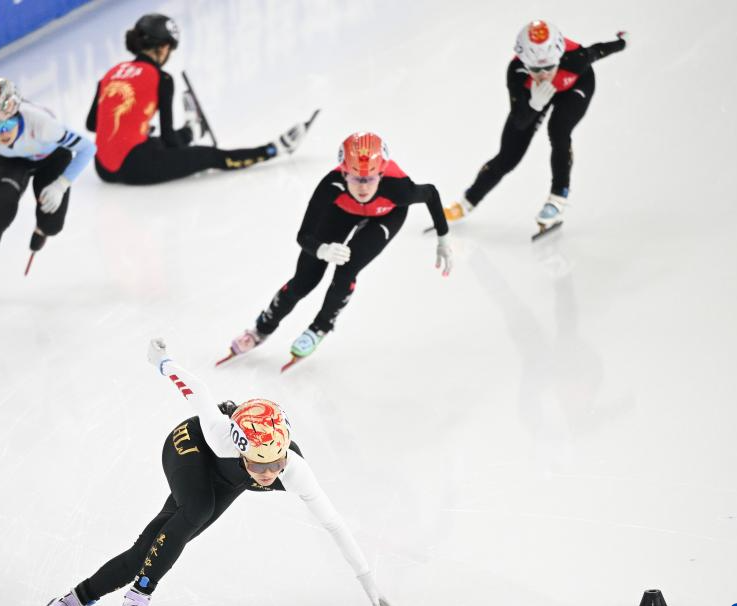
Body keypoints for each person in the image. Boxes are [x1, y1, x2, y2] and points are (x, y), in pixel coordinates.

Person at [30, 339, 403, 606]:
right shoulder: (219, 432)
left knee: (147, 549)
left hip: (224, 480)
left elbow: (334, 524)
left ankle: (70, 602)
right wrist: (162, 360)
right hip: (188, 449)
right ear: (241, 450)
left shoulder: (294, 470)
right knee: (198, 508)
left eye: (275, 463)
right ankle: (139, 596)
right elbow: (196, 390)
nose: (270, 474)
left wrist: (369, 584)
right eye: (259, 466)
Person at [221, 132, 452, 366]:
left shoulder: (399, 189)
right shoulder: (330, 185)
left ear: (381, 174)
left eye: (370, 179)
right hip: (342, 210)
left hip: (386, 214)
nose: (363, 188)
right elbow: (304, 236)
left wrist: (443, 239)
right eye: (355, 178)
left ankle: (319, 328)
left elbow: (431, 194)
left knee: (347, 270)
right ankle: (260, 329)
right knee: (304, 280)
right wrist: (321, 250)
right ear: (343, 172)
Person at [444, 21, 629, 233]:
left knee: (559, 130)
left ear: (558, 57)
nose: (543, 75)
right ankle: (467, 202)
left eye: (549, 67)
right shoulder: (517, 71)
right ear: (525, 63)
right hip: (535, 97)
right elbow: (520, 121)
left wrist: (622, 42)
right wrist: (534, 104)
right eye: (536, 69)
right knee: (508, 156)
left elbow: (600, 50)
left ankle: (557, 198)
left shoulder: (576, 58)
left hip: (576, 86)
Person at [85, 14, 314, 185]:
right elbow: (170, 140)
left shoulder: (111, 73)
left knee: (150, 141)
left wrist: (135, 124)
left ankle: (193, 129)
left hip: (103, 170)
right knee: (209, 156)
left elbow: (92, 124)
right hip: (135, 168)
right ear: (164, 47)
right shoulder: (161, 78)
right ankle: (273, 149)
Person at [0, 77, 95, 298]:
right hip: (13, 161)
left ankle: (42, 229)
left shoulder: (44, 125)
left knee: (52, 225)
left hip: (52, 159)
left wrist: (61, 185)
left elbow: (88, 148)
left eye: (8, 125)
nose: (2, 134)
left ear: (17, 114)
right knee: (0, 214)